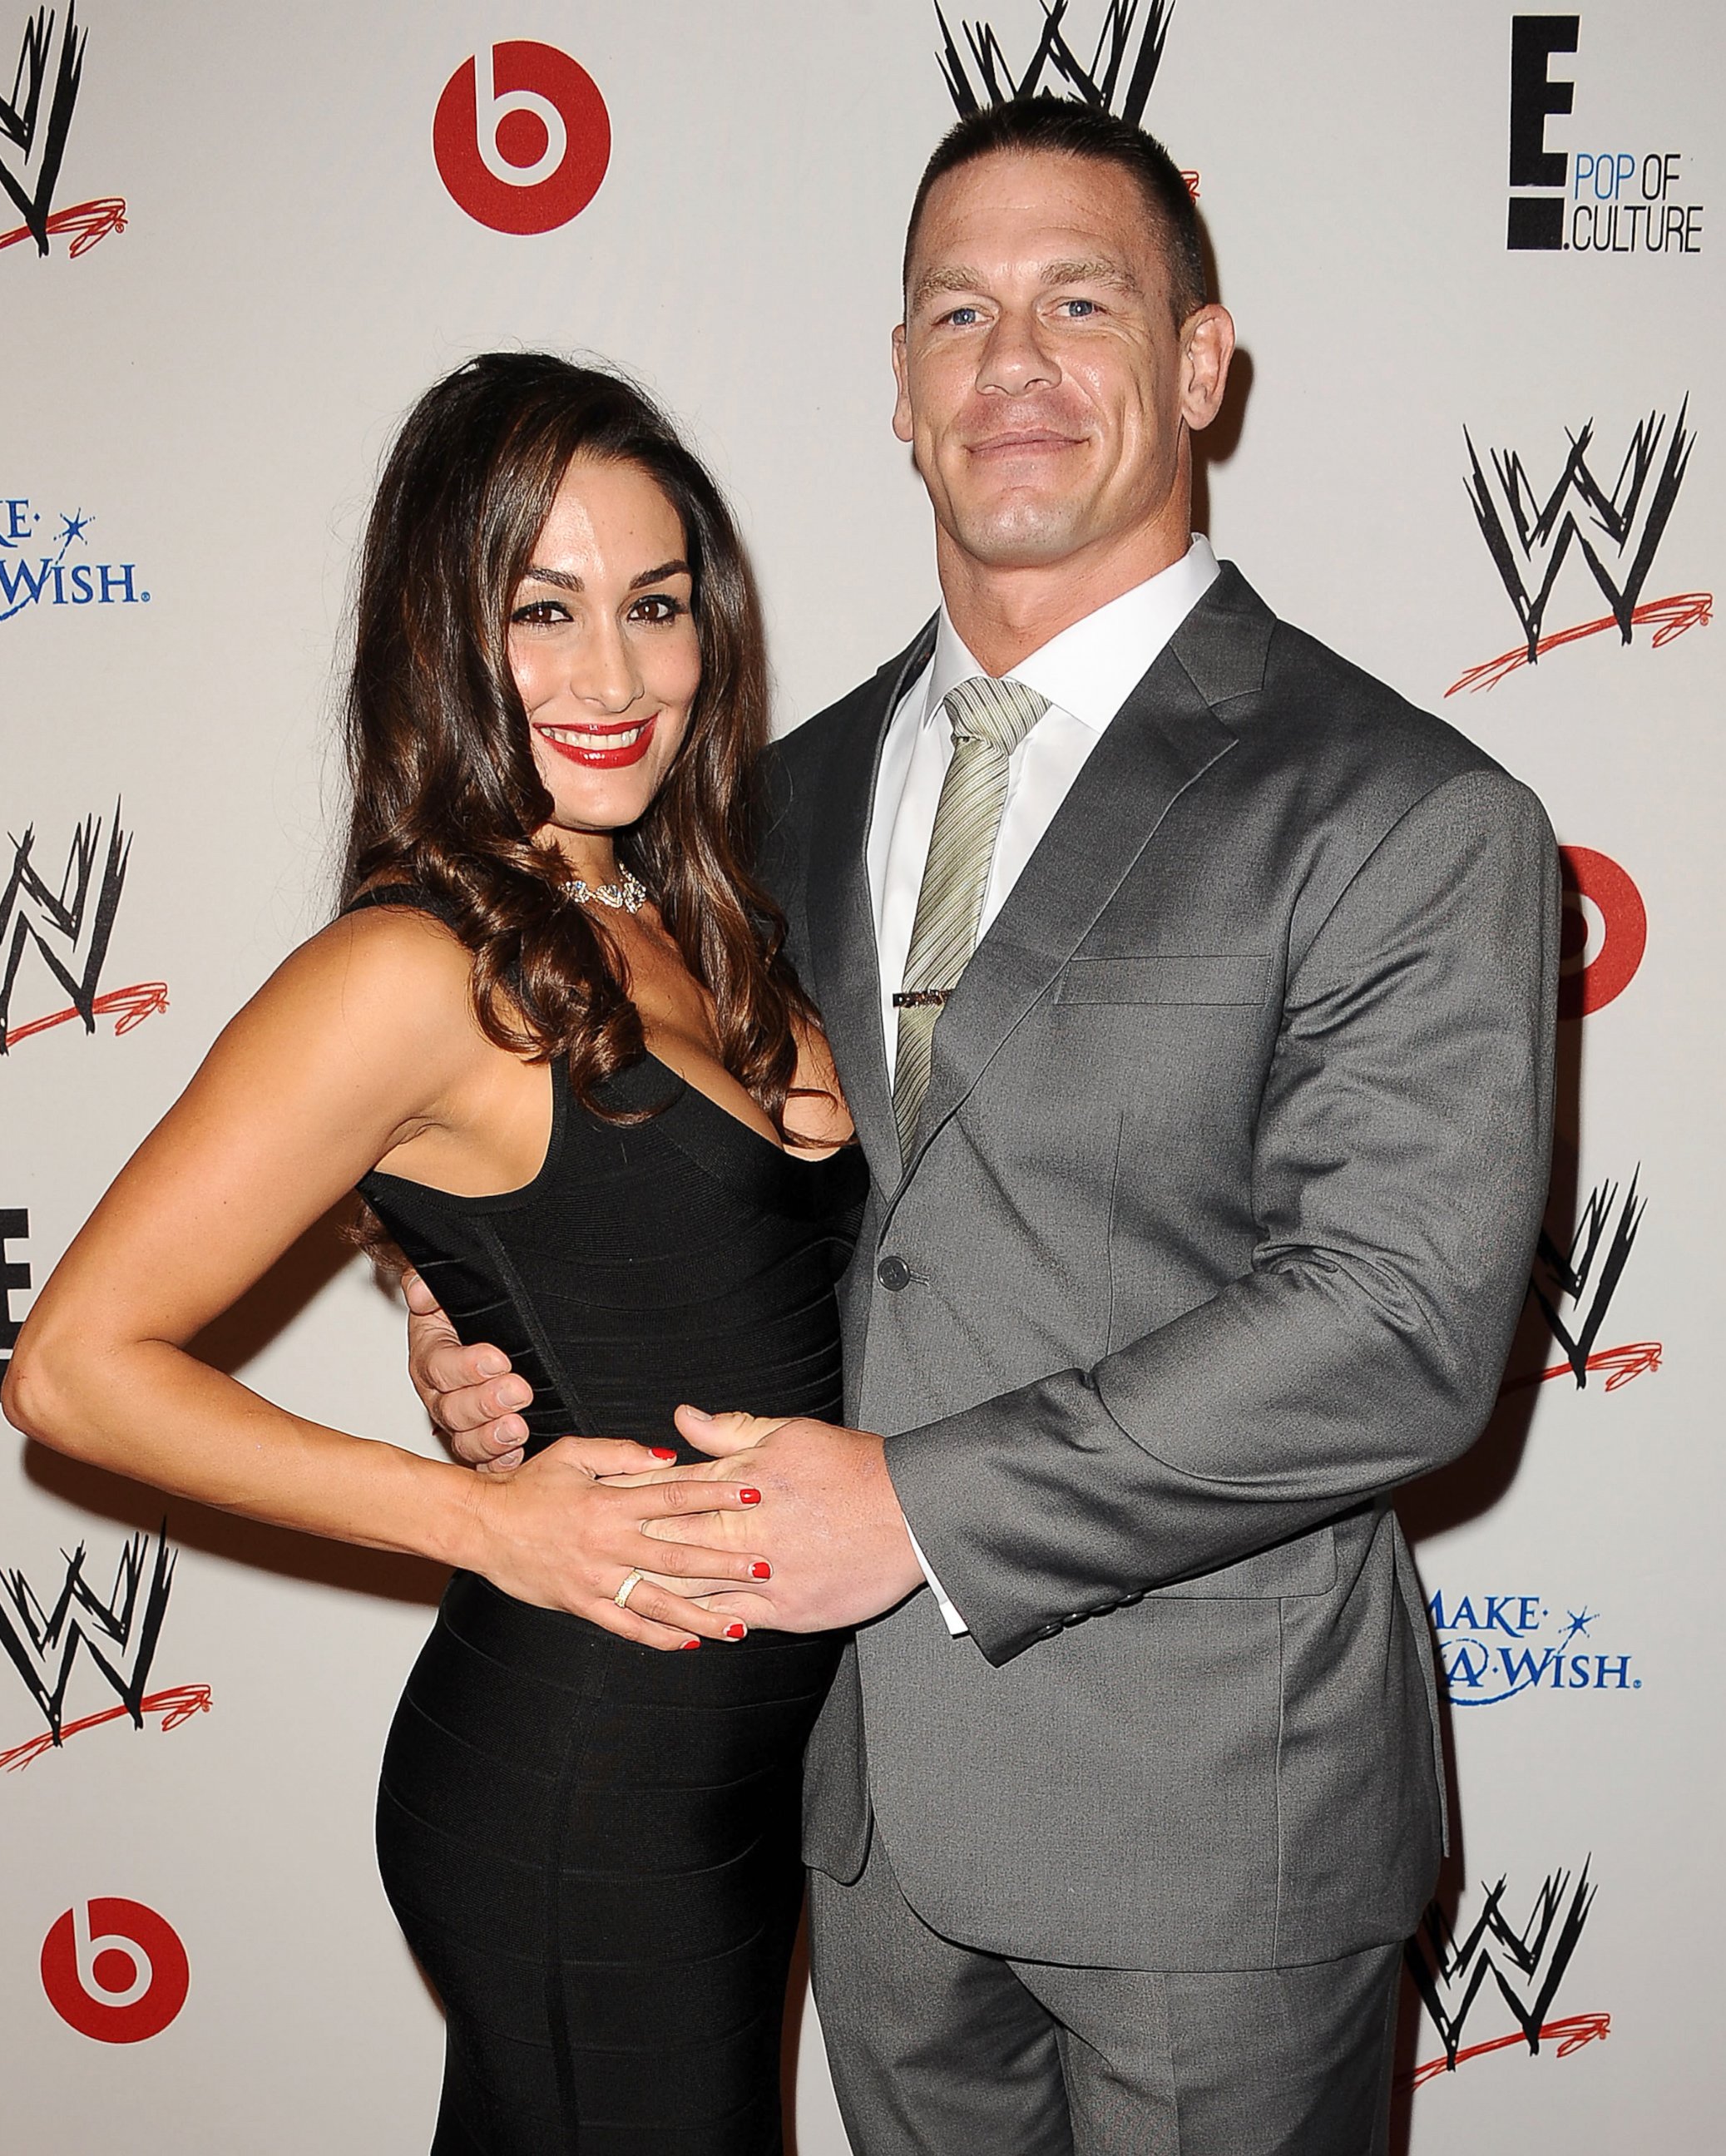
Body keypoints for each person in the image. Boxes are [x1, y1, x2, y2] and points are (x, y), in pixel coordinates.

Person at [412, 101, 1560, 2155]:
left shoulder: (1404, 810)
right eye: (959, 309)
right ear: (900, 386)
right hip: (851, 1809)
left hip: (1220, 1830)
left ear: (1201, 368)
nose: (1011, 362)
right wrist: (493, 1324)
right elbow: (683, 1179)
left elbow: (1399, 1321)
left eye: (1079, 302)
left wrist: (922, 1509)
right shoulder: (756, 806)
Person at [1, 353, 867, 2156]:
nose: (615, 678)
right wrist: (476, 1513)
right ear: (443, 632)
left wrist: (432, 1280)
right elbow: (74, 1367)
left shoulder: (688, 906)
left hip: (733, 1761)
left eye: (656, 606)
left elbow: (615, 1233)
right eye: (541, 611)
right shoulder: (411, 969)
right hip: (586, 1773)